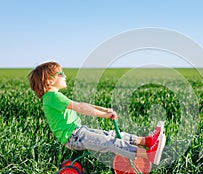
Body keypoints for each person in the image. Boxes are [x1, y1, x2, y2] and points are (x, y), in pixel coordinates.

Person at [28, 61, 166, 165]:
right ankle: (148, 154)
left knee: (111, 134)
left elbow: (83, 105)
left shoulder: (53, 97)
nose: (65, 76)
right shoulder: (52, 97)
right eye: (61, 73)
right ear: (49, 80)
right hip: (74, 137)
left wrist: (104, 110)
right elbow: (80, 108)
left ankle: (146, 141)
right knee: (109, 142)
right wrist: (104, 115)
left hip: (78, 132)